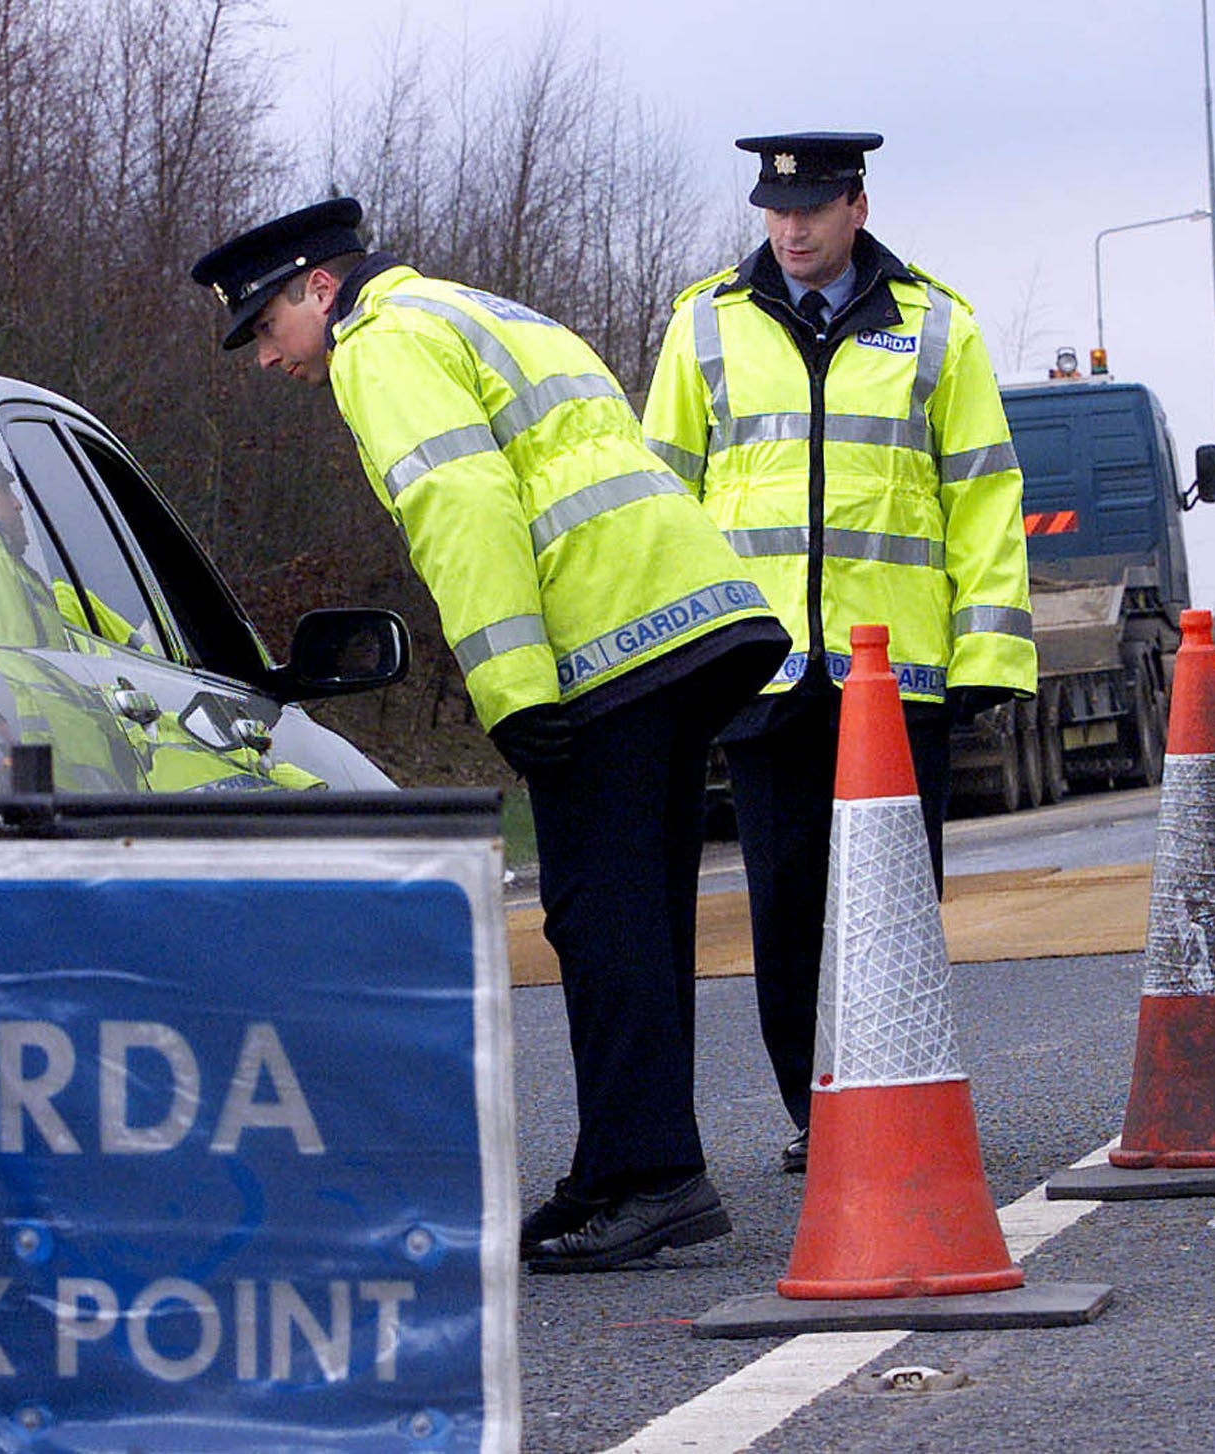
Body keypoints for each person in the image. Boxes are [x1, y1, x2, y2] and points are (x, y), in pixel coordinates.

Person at [191, 198, 790, 1271]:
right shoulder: (475, 309)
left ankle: (651, 1177)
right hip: (685, 617)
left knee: (600, 918)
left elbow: (461, 503)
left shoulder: (380, 342)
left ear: (319, 287)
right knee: (635, 913)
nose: (268, 359)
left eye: (267, 328)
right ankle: (627, 1167)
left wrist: (512, 692)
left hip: (609, 640)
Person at [641, 133, 1034, 1172]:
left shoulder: (937, 324)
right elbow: (662, 497)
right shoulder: (704, 323)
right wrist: (672, 655)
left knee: (898, 904)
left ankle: (896, 1080)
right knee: (784, 903)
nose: (792, 228)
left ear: (858, 205)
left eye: (812, 206)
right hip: (762, 675)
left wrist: (987, 651)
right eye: (776, 209)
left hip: (898, 675)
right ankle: (820, 1111)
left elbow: (983, 491)